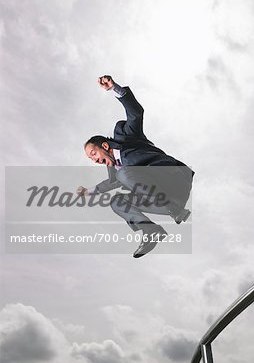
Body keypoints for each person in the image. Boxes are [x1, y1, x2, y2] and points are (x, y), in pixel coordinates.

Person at [77, 75, 194, 258]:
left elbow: (136, 113)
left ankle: (174, 208)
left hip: (174, 179)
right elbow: (109, 184)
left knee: (124, 174)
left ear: (105, 146)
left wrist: (115, 89)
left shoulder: (127, 137)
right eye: (90, 159)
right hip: (168, 201)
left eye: (93, 154)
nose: (93, 160)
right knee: (117, 201)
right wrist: (88, 192)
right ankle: (151, 231)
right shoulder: (115, 170)